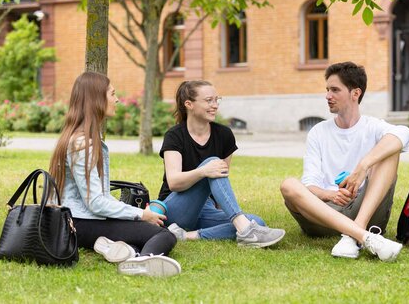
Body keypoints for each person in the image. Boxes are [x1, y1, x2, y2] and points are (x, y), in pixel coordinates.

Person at [49, 71, 180, 277]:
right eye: (112, 94)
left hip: (77, 221)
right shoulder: (83, 144)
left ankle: (122, 250)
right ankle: (141, 261)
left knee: (139, 230)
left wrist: (134, 216)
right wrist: (141, 214)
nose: (117, 99)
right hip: (79, 223)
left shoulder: (78, 138)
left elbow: (98, 197)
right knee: (165, 235)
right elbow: (96, 203)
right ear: (96, 99)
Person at [280, 61, 409, 262]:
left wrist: (363, 166)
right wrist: (329, 195)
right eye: (327, 90)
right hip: (324, 214)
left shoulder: (373, 126)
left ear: (355, 93)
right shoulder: (318, 132)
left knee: (391, 151)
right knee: (288, 185)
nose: (327, 96)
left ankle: (355, 233)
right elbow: (309, 184)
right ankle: (363, 236)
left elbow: (404, 133)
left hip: (366, 211)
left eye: (334, 90)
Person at [158, 80, 285, 247]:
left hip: (207, 208)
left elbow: (221, 180)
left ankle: (187, 235)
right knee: (212, 163)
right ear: (189, 104)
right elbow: (174, 182)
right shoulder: (174, 135)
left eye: (217, 99)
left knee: (257, 221)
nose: (215, 105)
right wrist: (203, 171)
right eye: (209, 100)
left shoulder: (224, 135)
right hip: (176, 209)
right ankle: (245, 230)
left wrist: (221, 210)